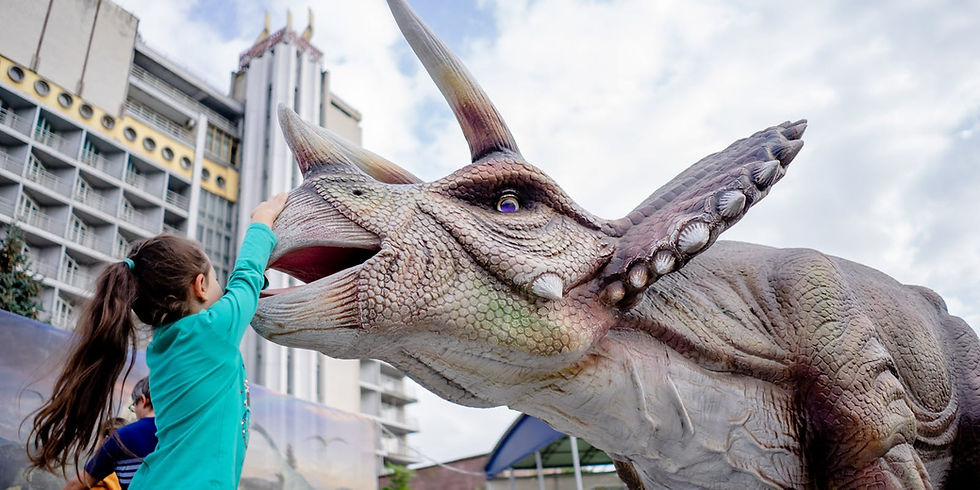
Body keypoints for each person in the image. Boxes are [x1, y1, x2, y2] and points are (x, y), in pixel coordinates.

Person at [28, 193, 288, 489]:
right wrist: (263, 218)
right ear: (200, 286)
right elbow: (245, 279)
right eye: (217, 282)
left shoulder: (165, 347)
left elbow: (245, 288)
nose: (224, 292)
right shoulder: (210, 333)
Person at [64, 379, 156, 490]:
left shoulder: (122, 437)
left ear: (143, 400)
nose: (135, 412)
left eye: (134, 405)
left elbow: (76, 485)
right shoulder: (179, 434)